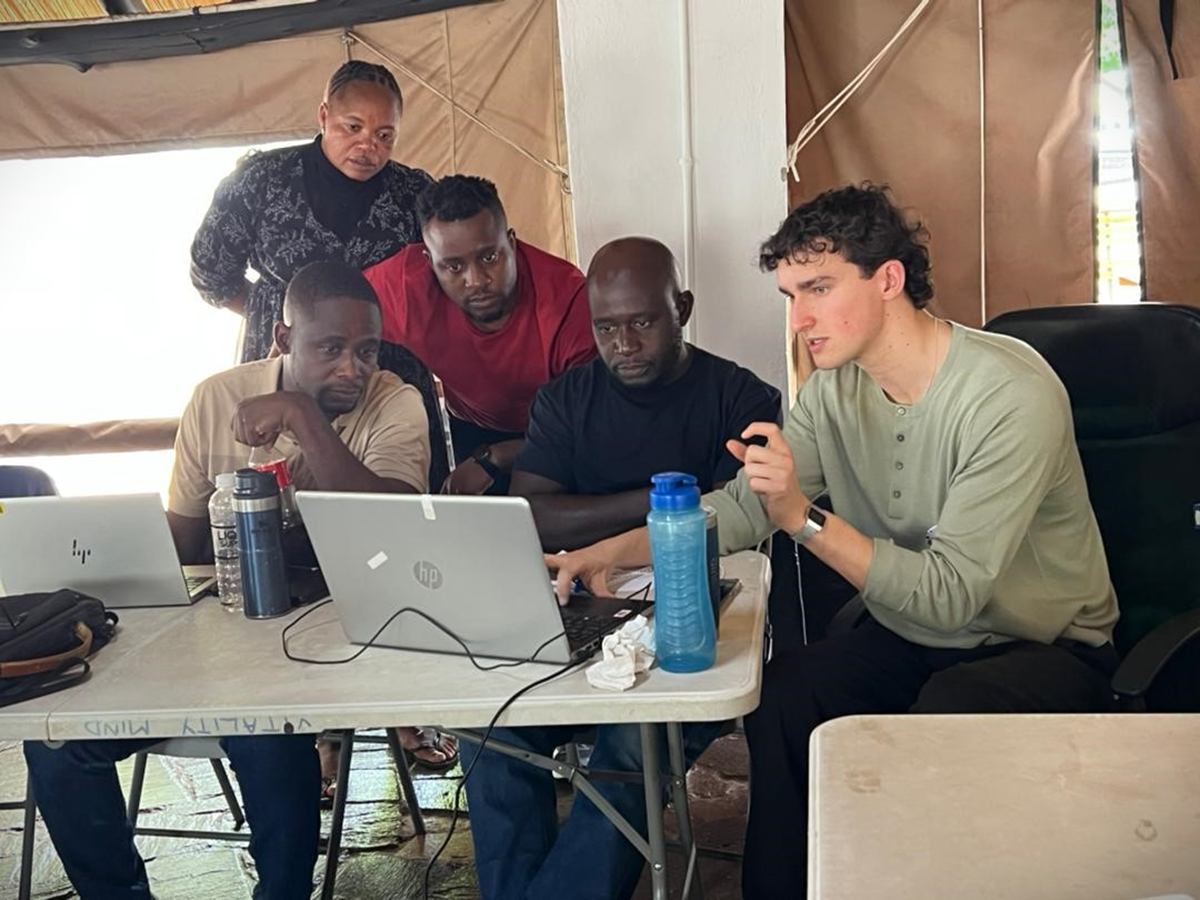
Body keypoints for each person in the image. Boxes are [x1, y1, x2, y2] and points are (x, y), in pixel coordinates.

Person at [549, 184, 1121, 897]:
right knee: (785, 694)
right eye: (790, 294)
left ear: (888, 279)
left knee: (943, 717)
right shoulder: (831, 391)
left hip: (1039, 646)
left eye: (818, 288)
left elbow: (947, 594)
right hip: (911, 635)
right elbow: (744, 508)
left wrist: (804, 519)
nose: (799, 318)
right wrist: (613, 550)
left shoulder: (1007, 395)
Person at [23, 261, 432, 900]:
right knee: (55, 748)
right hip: (214, 631)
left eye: (366, 349)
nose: (352, 367)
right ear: (282, 338)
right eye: (330, 348)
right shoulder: (216, 398)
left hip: (325, 628)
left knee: (269, 736)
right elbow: (184, 542)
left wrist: (302, 413)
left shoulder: (395, 401)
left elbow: (391, 534)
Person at [462, 237, 781, 900]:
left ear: (682, 309)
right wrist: (659, 498)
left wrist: (613, 527)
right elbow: (534, 514)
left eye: (643, 322)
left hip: (693, 622)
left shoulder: (741, 397)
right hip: (576, 607)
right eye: (607, 327)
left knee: (633, 746)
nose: (625, 343)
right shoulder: (565, 400)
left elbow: (735, 525)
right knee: (487, 727)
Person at [363, 175, 596, 494]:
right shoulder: (406, 286)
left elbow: (591, 429)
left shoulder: (568, 301)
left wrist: (494, 458)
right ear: (429, 263)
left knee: (554, 527)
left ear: (511, 244)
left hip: (561, 433)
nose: (476, 280)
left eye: (489, 257)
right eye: (453, 267)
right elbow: (326, 309)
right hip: (472, 427)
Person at [191, 60, 432, 364]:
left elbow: (447, 275)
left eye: (384, 136)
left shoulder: (414, 192)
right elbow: (211, 273)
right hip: (283, 367)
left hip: (387, 373)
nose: (368, 146)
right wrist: (273, 309)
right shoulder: (261, 180)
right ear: (323, 116)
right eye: (353, 127)